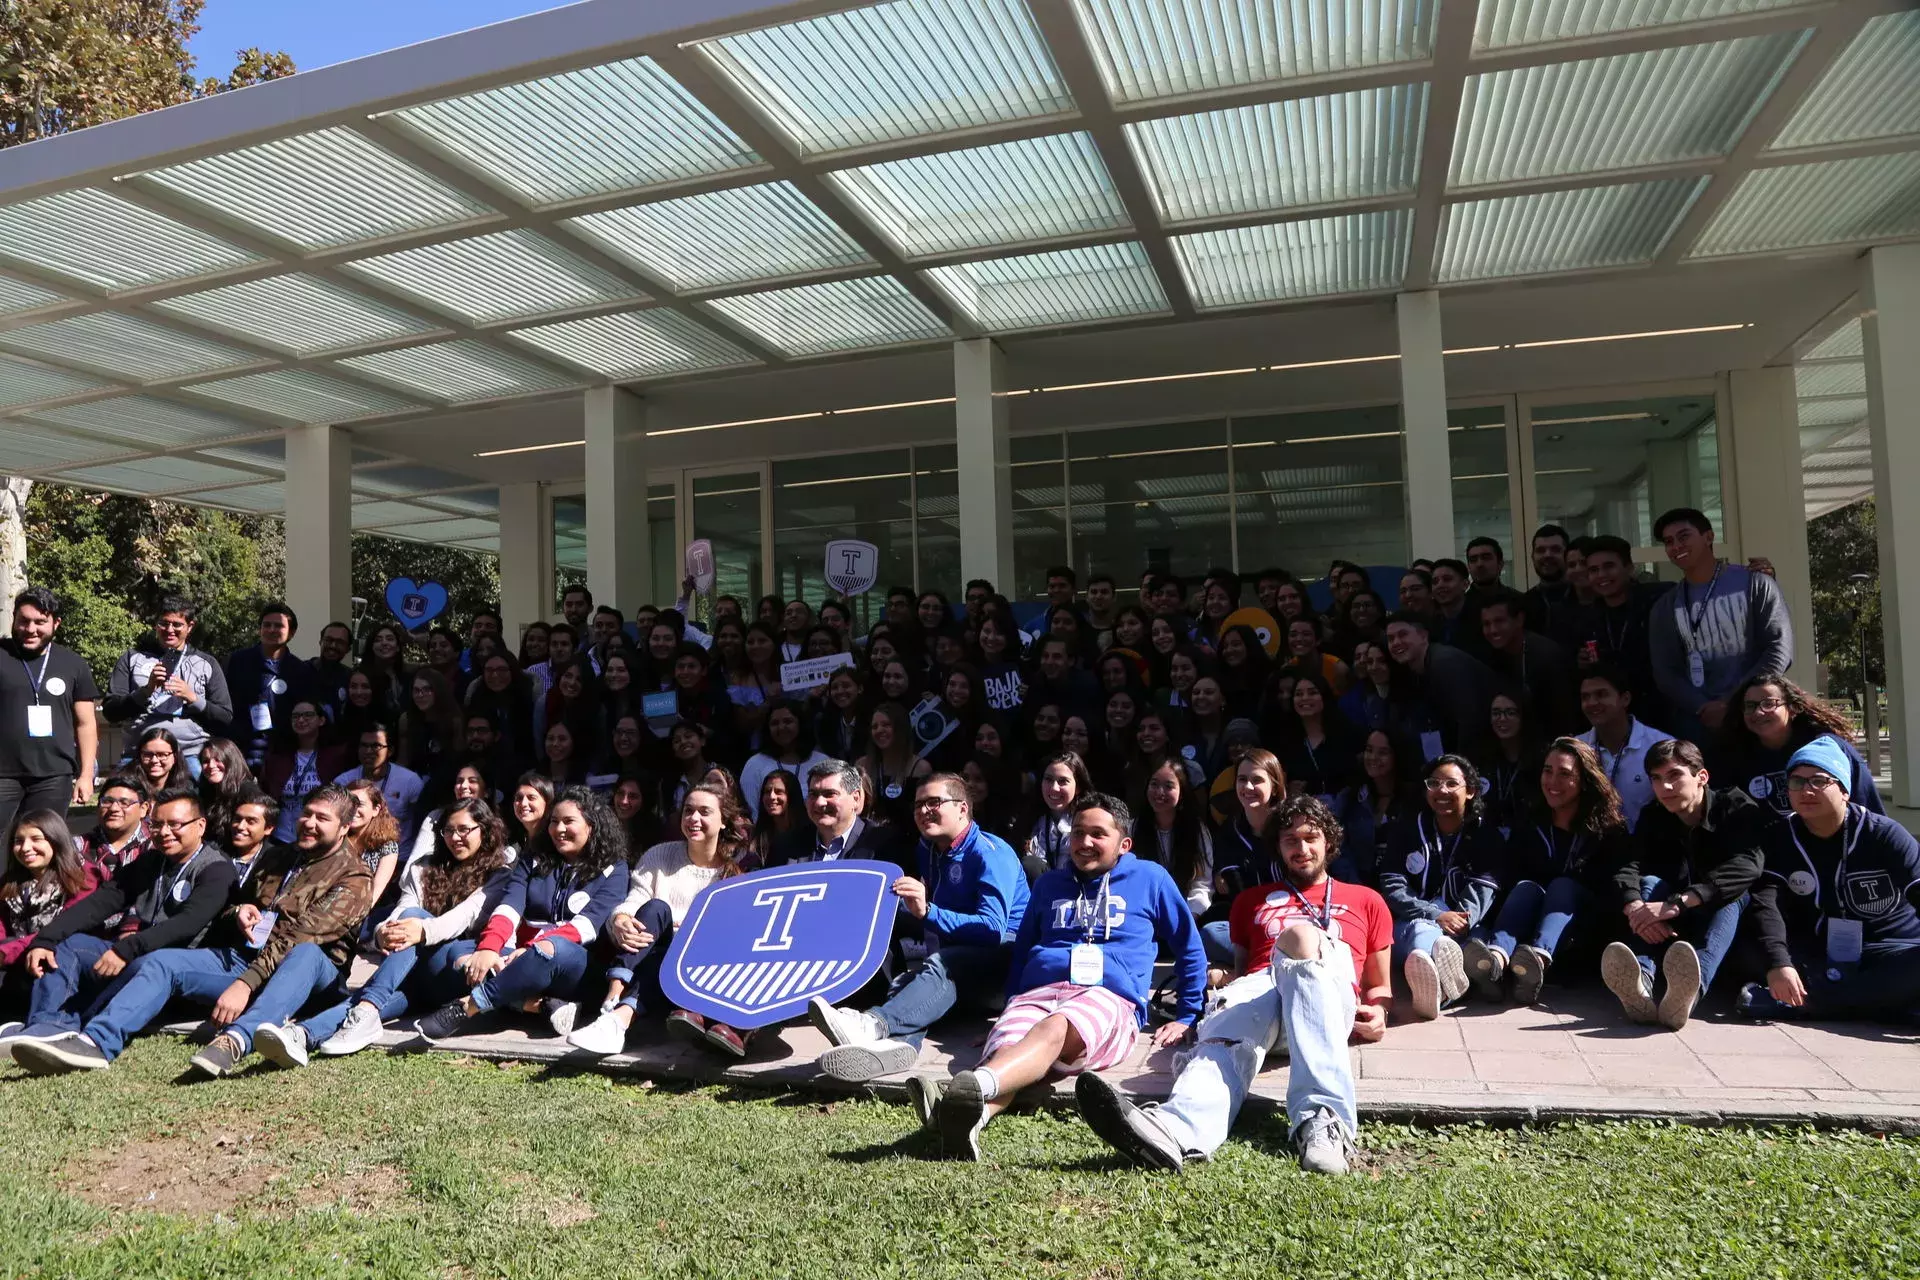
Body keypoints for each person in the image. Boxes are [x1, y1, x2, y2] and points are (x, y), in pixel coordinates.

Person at [1076, 794, 1392, 1176]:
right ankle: (1175, 1129)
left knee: (1303, 939)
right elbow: (1248, 973)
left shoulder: (1366, 899)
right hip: (1262, 996)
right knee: (1226, 1035)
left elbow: (1379, 983)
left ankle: (1323, 1123)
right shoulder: (1250, 902)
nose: (1301, 848)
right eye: (1290, 840)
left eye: (1311, 838)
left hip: (1326, 993)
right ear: (1277, 846)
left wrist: (1380, 1011)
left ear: (1329, 842)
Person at [12, 785, 372, 1075]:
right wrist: (240, 911)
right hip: (240, 956)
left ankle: (236, 1038)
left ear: (344, 827)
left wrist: (244, 984)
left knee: (304, 953)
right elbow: (233, 905)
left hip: (304, 973)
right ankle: (92, 1043)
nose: (308, 822)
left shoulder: (354, 876)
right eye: (306, 814)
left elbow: (300, 938)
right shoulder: (279, 857)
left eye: (321, 818)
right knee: (162, 963)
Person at [924, 794, 1205, 1160]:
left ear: (1124, 844)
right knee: (1010, 1048)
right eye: (1078, 834)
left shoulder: (1150, 879)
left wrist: (1187, 1015)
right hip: (1038, 992)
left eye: (1097, 835)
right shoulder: (1049, 884)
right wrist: (1009, 1006)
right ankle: (972, 1117)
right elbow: (1023, 949)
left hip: (1109, 997)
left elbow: (1189, 945)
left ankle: (971, 1088)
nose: (1084, 843)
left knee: (1057, 1028)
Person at [808, 773, 1030, 1084]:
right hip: (957, 965)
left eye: (934, 802)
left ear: (963, 809)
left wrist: (928, 912)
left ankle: (872, 1025)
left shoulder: (990, 853)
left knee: (941, 964)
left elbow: (993, 930)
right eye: (918, 805)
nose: (924, 811)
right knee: (904, 982)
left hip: (1002, 966)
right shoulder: (927, 850)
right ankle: (894, 1050)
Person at [5, 786, 237, 1051]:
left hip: (186, 963)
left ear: (200, 825)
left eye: (175, 824)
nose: (164, 832)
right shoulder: (152, 860)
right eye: (157, 824)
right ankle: (48, 1026)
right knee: (71, 945)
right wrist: (45, 940)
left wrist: (127, 948)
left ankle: (86, 1027)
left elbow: (188, 923)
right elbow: (101, 901)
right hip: (144, 953)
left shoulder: (216, 868)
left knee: (148, 964)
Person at [287, 797, 516, 1061]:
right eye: (449, 830)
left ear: (484, 831)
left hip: (459, 974)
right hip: (419, 978)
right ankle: (303, 1034)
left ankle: (364, 1010)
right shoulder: (423, 867)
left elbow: (461, 918)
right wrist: (383, 931)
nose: (455, 837)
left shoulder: (499, 874)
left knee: (413, 918)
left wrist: (420, 930)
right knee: (373, 997)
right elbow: (401, 909)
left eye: (464, 829)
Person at [415, 786, 630, 1042]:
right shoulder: (533, 860)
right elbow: (509, 907)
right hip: (523, 957)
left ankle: (467, 1007)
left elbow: (586, 926)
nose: (558, 829)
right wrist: (489, 948)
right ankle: (538, 1004)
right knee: (461, 954)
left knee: (553, 948)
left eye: (568, 821)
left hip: (577, 966)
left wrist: (531, 949)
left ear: (591, 826)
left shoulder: (614, 869)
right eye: (553, 822)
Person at [1736, 736, 1920, 1023]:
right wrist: (1778, 963)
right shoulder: (1781, 836)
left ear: (1844, 790)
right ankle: (1894, 1004)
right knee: (1751, 950)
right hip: (1822, 949)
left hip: (1893, 946)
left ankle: (1805, 1004)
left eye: (1819, 781)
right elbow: (1765, 903)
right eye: (1797, 782)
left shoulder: (1884, 834)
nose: (1806, 790)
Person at [564, 784, 753, 1056]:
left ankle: (617, 1020)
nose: (693, 819)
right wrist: (621, 918)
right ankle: (613, 999)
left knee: (666, 954)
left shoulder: (734, 875)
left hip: (694, 965)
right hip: (649, 947)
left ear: (723, 821)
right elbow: (637, 899)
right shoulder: (659, 855)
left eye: (704, 812)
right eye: (688, 811)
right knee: (656, 908)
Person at [1600, 739, 1764, 1030]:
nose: (1665, 787)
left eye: (1675, 775)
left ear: (1702, 777)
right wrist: (1635, 906)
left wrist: (1680, 902)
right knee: (1648, 883)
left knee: (1735, 895)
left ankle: (1688, 993)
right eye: (1657, 779)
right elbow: (1630, 863)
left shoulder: (1735, 806)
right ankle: (1641, 983)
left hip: (1725, 918)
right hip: (1673, 921)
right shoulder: (1655, 815)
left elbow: (1748, 865)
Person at [1461, 738, 1631, 1004]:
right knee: (1525, 887)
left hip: (1578, 931)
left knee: (1562, 886)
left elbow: (1608, 887)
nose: (1552, 781)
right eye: (1548, 770)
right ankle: (1495, 960)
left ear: (1585, 780)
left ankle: (1536, 962)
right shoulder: (1531, 821)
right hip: (1528, 925)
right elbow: (1512, 872)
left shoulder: (1608, 831)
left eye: (1565, 774)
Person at [1378, 755, 1506, 1019]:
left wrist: (1458, 920)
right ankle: (1443, 978)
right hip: (1416, 920)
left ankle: (1439, 989)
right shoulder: (1408, 830)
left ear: (1470, 791)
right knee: (1418, 935)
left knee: (1478, 940)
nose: (1442, 791)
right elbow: (1393, 886)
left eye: (1451, 784)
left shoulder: (1485, 834)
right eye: (1434, 783)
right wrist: (1435, 915)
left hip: (1465, 923)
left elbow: (1484, 889)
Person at [1648, 507, 1793, 739]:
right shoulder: (1666, 606)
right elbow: (1666, 672)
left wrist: (1734, 702)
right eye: (1668, 541)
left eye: (1684, 536)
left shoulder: (1756, 583)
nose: (1676, 546)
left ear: (1709, 537)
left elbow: (1779, 649)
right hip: (1699, 723)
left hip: (1756, 714)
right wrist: (1703, 707)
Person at [1716, 673, 1882, 822]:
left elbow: (1869, 814)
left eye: (1768, 704)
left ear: (1793, 708)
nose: (1758, 712)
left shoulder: (1828, 750)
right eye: (1750, 706)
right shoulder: (1734, 755)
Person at [0, 587, 99, 833]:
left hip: (54, 776)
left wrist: (86, 775)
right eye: (24, 621)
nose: (31, 629)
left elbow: (86, 723)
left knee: (42, 843)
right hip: (3, 775)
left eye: (40, 622)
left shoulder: (74, 664)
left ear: (56, 623)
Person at [103, 595, 232, 769]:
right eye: (163, 623)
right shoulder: (132, 658)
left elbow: (224, 717)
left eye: (177, 624)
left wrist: (192, 698)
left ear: (190, 626)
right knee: (118, 794)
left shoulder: (206, 663)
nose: (169, 630)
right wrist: (146, 691)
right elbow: (111, 711)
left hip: (189, 755)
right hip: (139, 755)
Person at [0, 809, 96, 985]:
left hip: (59, 959)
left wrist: (6, 952)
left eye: (36, 839)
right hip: (15, 957)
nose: (25, 848)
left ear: (56, 840)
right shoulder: (10, 882)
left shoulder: (82, 878)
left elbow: (66, 928)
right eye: (18, 841)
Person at [1382, 611, 1494, 759]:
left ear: (1423, 636)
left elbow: (1470, 722)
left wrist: (1461, 771)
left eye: (1403, 634)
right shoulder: (1415, 671)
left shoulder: (1445, 663)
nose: (1396, 643)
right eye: (1390, 639)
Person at [1575, 665, 1667, 829]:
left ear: (1625, 699)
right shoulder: (1574, 749)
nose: (1592, 703)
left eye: (1601, 694)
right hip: (1590, 847)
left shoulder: (1661, 746)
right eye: (1585, 697)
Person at [1477, 588, 1578, 736]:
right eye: (1486, 624)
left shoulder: (1546, 656)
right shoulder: (1490, 654)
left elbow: (1563, 716)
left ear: (1519, 619)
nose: (1492, 630)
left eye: (1499, 621)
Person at [767, 759, 901, 868]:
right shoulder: (785, 846)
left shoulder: (884, 845)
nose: (819, 802)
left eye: (830, 794)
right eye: (813, 794)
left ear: (856, 798)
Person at [225, 601, 309, 770]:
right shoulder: (237, 661)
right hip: (241, 749)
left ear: (291, 633)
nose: (271, 630)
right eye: (267, 625)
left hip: (282, 751)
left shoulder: (300, 670)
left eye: (278, 626)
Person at [260, 698, 351, 843]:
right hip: (281, 836)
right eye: (296, 716)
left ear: (321, 720)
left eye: (308, 715)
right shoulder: (277, 758)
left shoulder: (336, 756)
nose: (301, 720)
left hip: (318, 834)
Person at [334, 724, 426, 843]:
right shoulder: (343, 782)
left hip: (400, 854)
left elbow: (420, 823)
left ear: (390, 751)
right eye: (364, 746)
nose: (368, 751)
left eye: (376, 746)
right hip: (356, 853)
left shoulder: (410, 780)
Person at [739, 700, 829, 820]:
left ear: (800, 724)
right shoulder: (755, 764)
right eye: (775, 723)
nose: (781, 727)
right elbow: (750, 812)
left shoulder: (822, 762)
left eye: (788, 721)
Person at [1025, 751, 1093, 876]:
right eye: (1048, 779)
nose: (1054, 788)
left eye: (1063, 781)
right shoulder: (1030, 819)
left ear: (1078, 787)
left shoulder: (1090, 821)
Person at [78, 774, 151, 881]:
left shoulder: (156, 846)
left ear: (143, 809)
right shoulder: (79, 847)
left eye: (124, 803)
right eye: (107, 801)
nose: (114, 808)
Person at [1522, 524, 1579, 644]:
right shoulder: (1522, 604)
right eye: (1540, 550)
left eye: (1556, 549)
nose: (1547, 555)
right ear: (1532, 557)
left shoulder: (1586, 597)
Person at [195, 738, 253, 848]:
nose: (211, 765)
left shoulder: (248, 793)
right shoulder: (206, 792)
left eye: (218, 759)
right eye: (206, 761)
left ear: (231, 760)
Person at [131, 727, 190, 797]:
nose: (154, 760)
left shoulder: (188, 789)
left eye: (162, 755)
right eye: (148, 754)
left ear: (175, 757)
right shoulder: (128, 788)